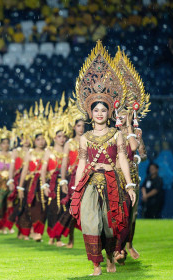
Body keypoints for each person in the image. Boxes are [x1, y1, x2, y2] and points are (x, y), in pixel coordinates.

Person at [70, 41, 136, 275]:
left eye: (103, 110)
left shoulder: (117, 134)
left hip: (111, 181)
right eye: (96, 110)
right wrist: (77, 188)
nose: (99, 113)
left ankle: (110, 260)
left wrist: (128, 184)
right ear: (91, 113)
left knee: (110, 225)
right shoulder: (85, 137)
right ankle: (96, 265)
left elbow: (123, 159)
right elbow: (81, 163)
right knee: (90, 222)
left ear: (109, 113)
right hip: (90, 182)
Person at [113, 48, 151, 259]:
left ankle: (128, 244)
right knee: (116, 213)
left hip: (133, 177)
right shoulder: (111, 133)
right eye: (123, 112)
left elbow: (142, 154)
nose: (126, 115)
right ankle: (115, 246)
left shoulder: (135, 132)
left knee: (132, 214)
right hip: (114, 176)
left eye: (129, 111)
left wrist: (136, 154)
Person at [54, 98, 85, 249]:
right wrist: (63, 181)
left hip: (87, 178)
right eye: (78, 126)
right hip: (73, 179)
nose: (81, 129)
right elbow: (65, 164)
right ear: (74, 127)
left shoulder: (88, 141)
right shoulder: (69, 143)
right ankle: (66, 238)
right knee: (72, 210)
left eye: (83, 126)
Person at [16, 101, 47, 241]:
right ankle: (29, 231)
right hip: (30, 184)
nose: (41, 141)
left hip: (43, 184)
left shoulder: (48, 152)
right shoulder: (29, 153)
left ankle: (37, 231)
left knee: (42, 209)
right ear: (34, 141)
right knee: (30, 208)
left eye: (42, 139)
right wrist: (20, 187)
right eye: (38, 139)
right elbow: (24, 171)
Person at [42, 97, 67, 246]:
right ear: (53, 137)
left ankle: (57, 237)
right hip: (51, 185)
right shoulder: (49, 151)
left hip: (63, 183)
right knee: (52, 210)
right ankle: (52, 237)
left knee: (62, 210)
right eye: (59, 136)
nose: (62, 139)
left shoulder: (66, 150)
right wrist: (43, 186)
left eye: (64, 136)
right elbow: (43, 170)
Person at [5, 112, 31, 237]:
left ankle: (28, 230)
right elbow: (11, 168)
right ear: (20, 139)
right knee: (19, 205)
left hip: (31, 182)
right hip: (18, 181)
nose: (26, 140)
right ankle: (20, 230)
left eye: (28, 137)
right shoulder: (16, 151)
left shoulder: (33, 152)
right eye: (24, 137)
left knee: (29, 206)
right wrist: (10, 181)